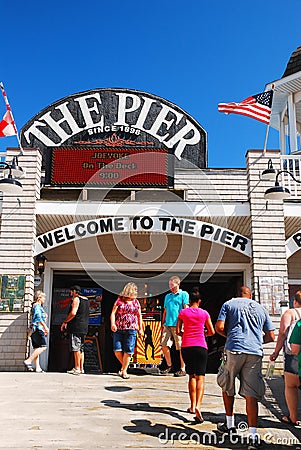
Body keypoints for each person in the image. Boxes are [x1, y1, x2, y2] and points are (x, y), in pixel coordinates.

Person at [215, 286, 275, 450]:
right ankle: (253, 435)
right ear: (251, 295)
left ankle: (230, 425)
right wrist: (255, 342)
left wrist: (231, 337)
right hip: (254, 353)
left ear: (237, 294)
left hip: (234, 349)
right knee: (251, 394)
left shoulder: (229, 304)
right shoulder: (261, 308)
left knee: (228, 385)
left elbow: (219, 327)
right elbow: (271, 336)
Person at [176, 287, 215, 422]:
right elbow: (212, 331)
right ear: (199, 301)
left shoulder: (183, 312)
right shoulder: (204, 313)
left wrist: (186, 333)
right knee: (200, 377)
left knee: (191, 376)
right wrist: (204, 333)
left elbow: (178, 331)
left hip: (186, 346)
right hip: (200, 346)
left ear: (189, 300)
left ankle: (192, 406)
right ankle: (198, 405)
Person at [270, 291, 301, 426]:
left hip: (293, 354)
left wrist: (276, 352)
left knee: (291, 386)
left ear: (295, 301)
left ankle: (293, 417)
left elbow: (282, 333)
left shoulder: (290, 313)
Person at [111, 282, 143, 379]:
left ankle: (124, 371)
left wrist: (140, 328)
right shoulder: (119, 300)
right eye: (135, 290)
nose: (136, 292)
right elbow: (113, 313)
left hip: (132, 328)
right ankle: (124, 366)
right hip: (119, 327)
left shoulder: (136, 302)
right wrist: (112, 323)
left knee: (128, 350)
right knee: (117, 350)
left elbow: (139, 315)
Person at [160, 275, 189, 376]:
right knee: (164, 344)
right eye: (169, 285)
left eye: (172, 285)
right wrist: (162, 323)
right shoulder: (167, 296)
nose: (170, 287)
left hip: (179, 323)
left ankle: (183, 368)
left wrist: (185, 323)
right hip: (167, 324)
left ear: (178, 284)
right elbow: (165, 310)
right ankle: (169, 365)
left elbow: (186, 308)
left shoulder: (183, 294)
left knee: (181, 346)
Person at [61, 285, 90, 375]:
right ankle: (81, 368)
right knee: (81, 348)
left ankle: (77, 368)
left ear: (74, 291)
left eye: (71, 291)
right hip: (84, 327)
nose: (70, 293)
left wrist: (65, 321)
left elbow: (73, 313)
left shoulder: (76, 299)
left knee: (76, 347)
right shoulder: (86, 300)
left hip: (76, 326)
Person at [24, 290, 49, 373]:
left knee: (36, 348)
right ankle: (28, 360)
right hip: (38, 328)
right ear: (39, 298)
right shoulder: (37, 306)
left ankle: (38, 367)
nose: (44, 299)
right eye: (43, 297)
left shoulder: (35, 306)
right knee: (43, 346)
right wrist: (45, 327)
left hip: (34, 329)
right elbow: (38, 318)